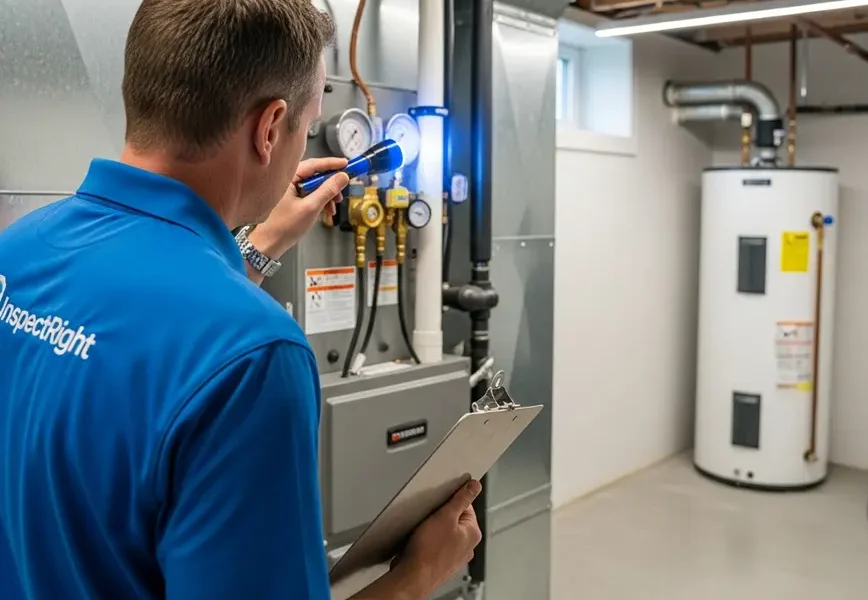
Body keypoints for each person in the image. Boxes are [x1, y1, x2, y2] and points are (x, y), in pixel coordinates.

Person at [0, 1, 482, 599]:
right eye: (306, 126)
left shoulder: (17, 251)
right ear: (270, 128)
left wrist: (261, 243)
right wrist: (418, 573)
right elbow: (199, 334)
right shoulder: (255, 356)